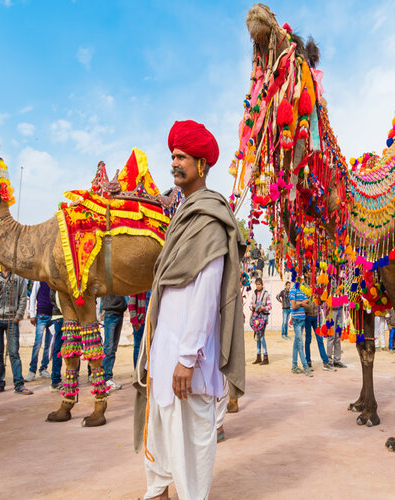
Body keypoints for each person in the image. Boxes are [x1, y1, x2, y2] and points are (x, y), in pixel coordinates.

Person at [134, 120, 246, 500]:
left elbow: (205, 294)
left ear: (202, 163)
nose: (174, 163)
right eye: (172, 156)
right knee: (164, 430)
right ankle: (158, 491)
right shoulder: (182, 216)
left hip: (189, 357)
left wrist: (186, 356)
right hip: (166, 351)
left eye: (181, 157)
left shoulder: (210, 220)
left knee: (193, 440)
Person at [0, 264, 32, 395]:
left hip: (12, 319)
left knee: (14, 353)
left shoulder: (18, 277)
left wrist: (18, 316)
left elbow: (23, 297)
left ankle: (19, 384)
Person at [25, 281, 61, 381]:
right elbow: (33, 296)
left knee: (49, 346)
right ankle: (32, 371)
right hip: (41, 316)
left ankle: (43, 368)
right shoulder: (39, 280)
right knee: (37, 343)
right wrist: (32, 314)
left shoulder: (55, 280)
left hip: (53, 315)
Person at [302, 281, 335, 372]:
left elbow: (321, 299)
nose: (311, 272)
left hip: (317, 316)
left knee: (320, 339)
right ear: (305, 273)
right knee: (308, 339)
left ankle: (325, 362)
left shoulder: (318, 286)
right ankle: (308, 361)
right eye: (309, 271)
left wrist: (325, 304)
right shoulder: (303, 286)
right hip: (307, 316)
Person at [100, 294, 128, 390]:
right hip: (111, 313)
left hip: (119, 313)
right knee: (108, 347)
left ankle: (108, 377)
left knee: (113, 348)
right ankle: (104, 380)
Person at [249, 277, 271, 365]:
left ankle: (265, 357)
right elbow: (250, 305)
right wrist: (253, 306)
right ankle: (258, 356)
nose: (258, 286)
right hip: (255, 319)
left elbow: (269, 306)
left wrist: (263, 308)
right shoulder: (254, 294)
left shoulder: (266, 294)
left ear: (262, 284)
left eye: (259, 284)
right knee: (258, 337)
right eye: (256, 284)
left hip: (263, 318)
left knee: (261, 337)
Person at [327, 290, 347, 368]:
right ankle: (329, 360)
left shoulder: (342, 280)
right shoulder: (331, 279)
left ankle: (337, 360)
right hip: (332, 310)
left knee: (338, 336)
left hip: (340, 309)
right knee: (331, 336)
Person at [129, 291, 149, 367]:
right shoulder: (139, 287)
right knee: (138, 348)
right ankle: (137, 372)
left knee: (149, 349)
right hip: (140, 323)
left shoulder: (153, 285)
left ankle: (145, 374)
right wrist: (135, 322)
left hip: (150, 324)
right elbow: (131, 305)